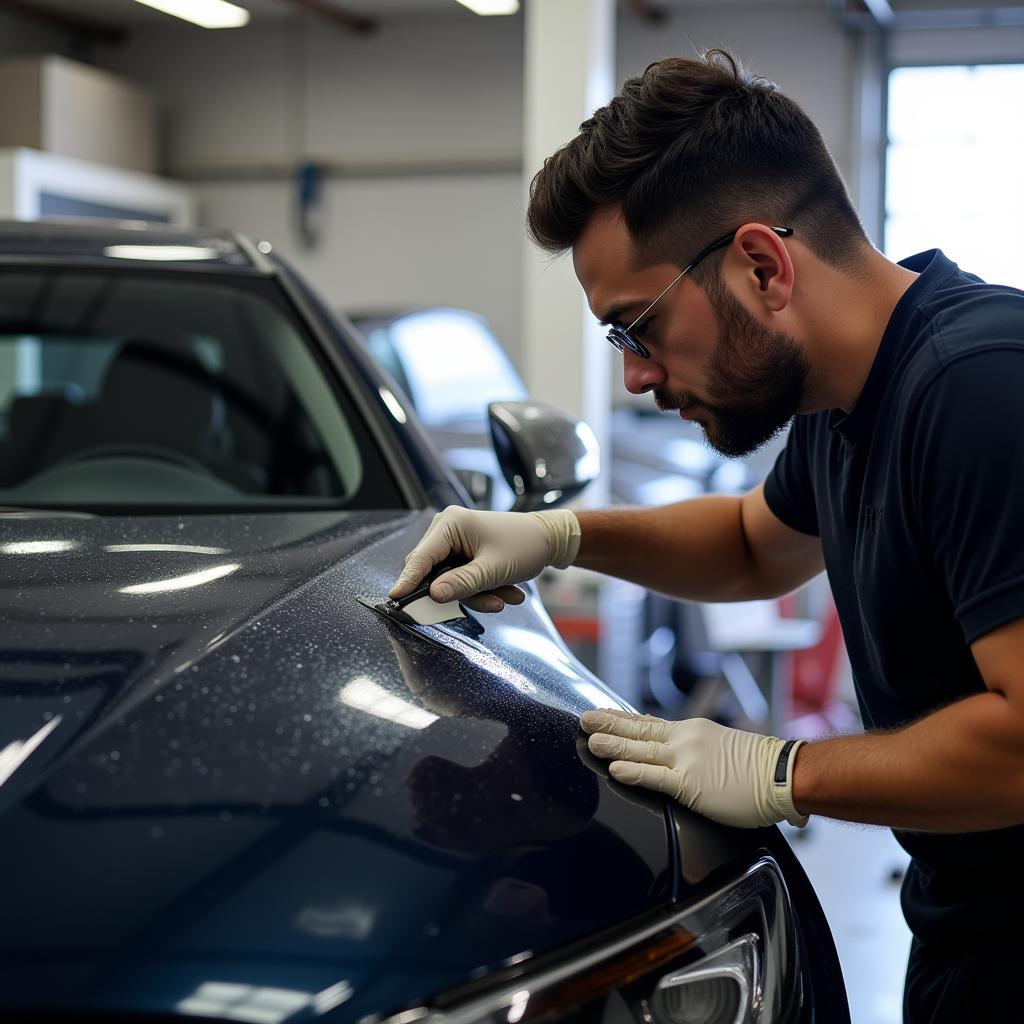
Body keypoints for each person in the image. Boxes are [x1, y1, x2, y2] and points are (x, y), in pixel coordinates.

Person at [388, 49, 1024, 1021]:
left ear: (761, 264)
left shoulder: (980, 389)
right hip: (966, 925)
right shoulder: (847, 392)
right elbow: (750, 542)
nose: (636, 378)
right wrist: (556, 535)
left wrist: (779, 773)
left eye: (637, 328)